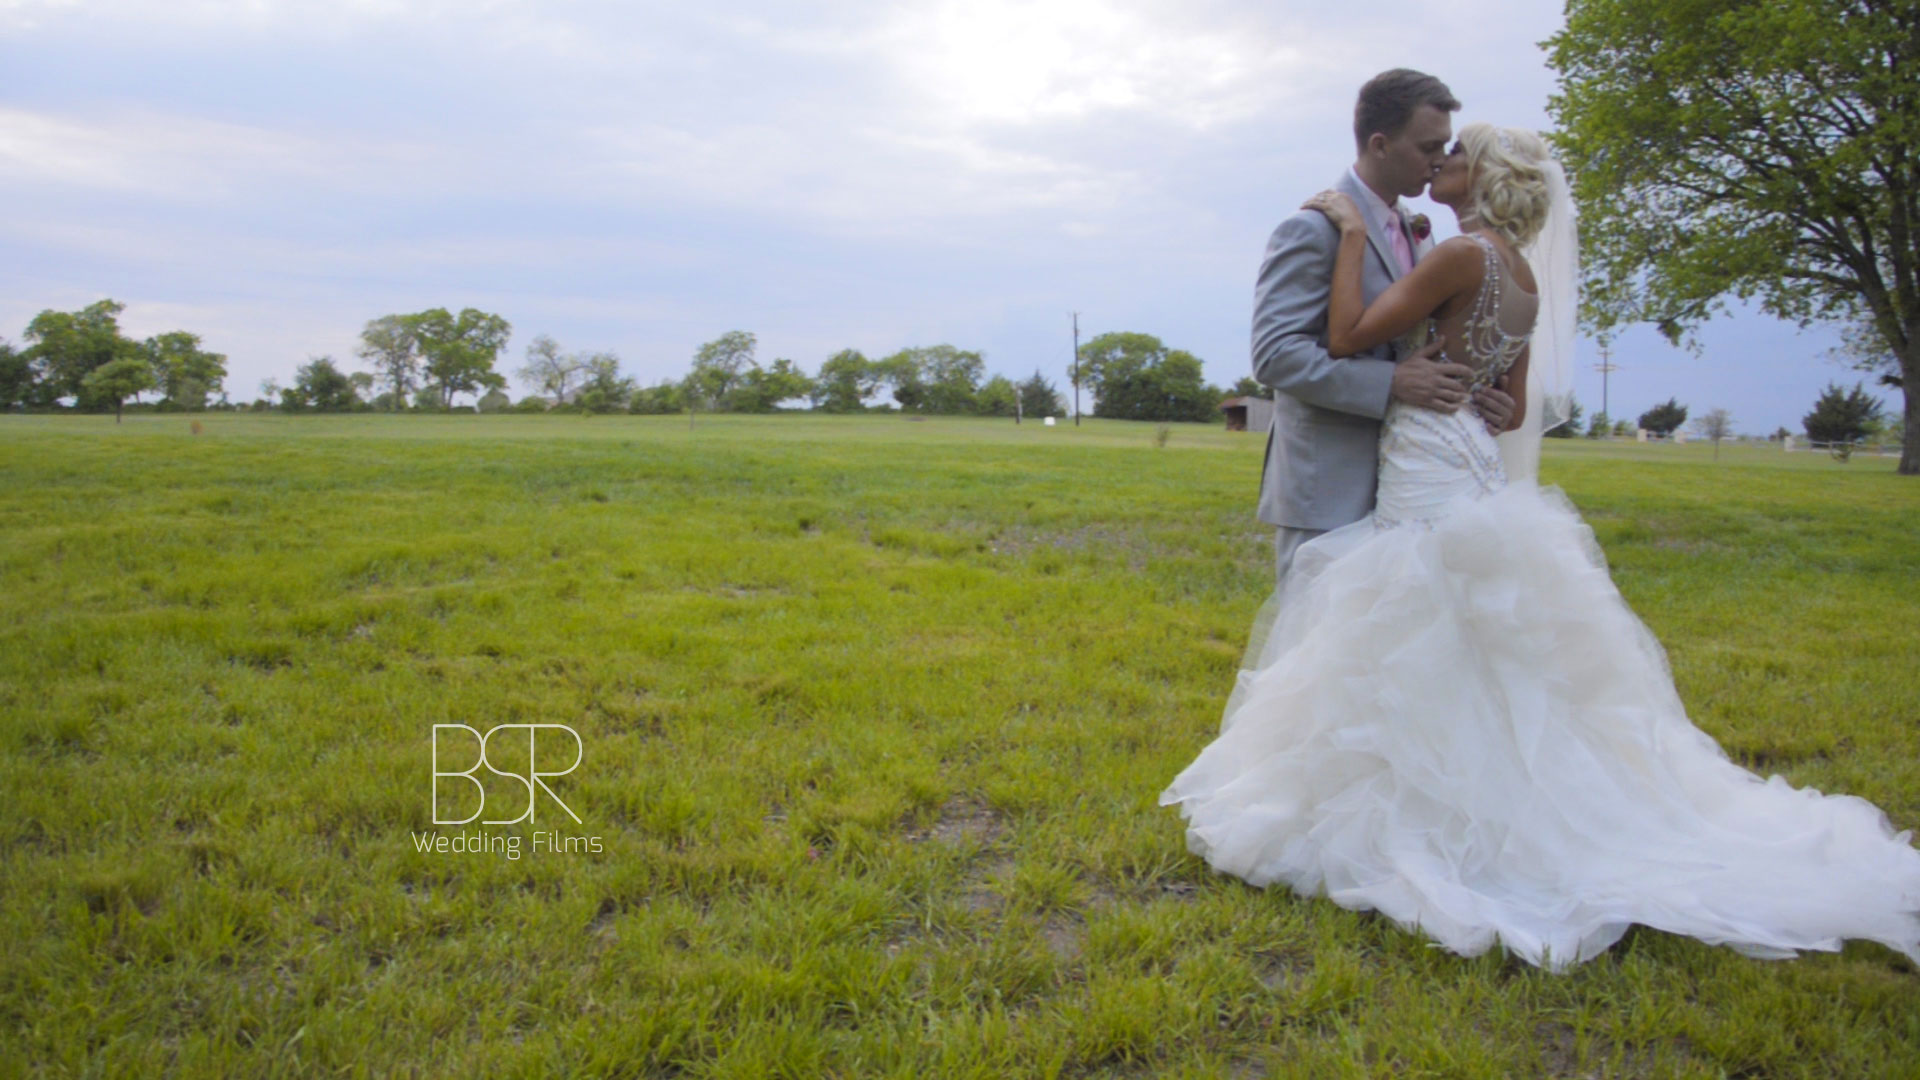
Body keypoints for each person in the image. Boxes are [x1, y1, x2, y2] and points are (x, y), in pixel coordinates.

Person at [1159, 121, 1920, 971]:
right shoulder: (1521, 276)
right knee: (1472, 631)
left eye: (1457, 154)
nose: (1442, 161)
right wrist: (1478, 397)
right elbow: (1513, 407)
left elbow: (1345, 337)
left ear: (1484, 176)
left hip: (1427, 454)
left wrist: (1349, 238)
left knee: (1410, 612)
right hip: (1474, 457)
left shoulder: (1461, 255)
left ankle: (1434, 808)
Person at [1253, 69, 1517, 592]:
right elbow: (1275, 355)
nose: (1439, 160)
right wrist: (1391, 383)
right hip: (1329, 487)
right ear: (1380, 144)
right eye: (1428, 147)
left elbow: (1425, 346)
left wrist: (1484, 399)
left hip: (1410, 484)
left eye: (1445, 147)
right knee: (1316, 636)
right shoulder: (1311, 229)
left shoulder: (1422, 233)